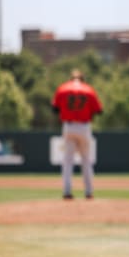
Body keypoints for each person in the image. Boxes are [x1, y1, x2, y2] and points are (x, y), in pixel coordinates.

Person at [52, 69, 103, 200]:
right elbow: (99, 110)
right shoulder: (88, 90)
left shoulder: (63, 88)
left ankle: (67, 192)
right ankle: (88, 192)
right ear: (82, 78)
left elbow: (54, 108)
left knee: (68, 161)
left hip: (68, 126)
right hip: (84, 126)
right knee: (86, 160)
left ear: (71, 78)